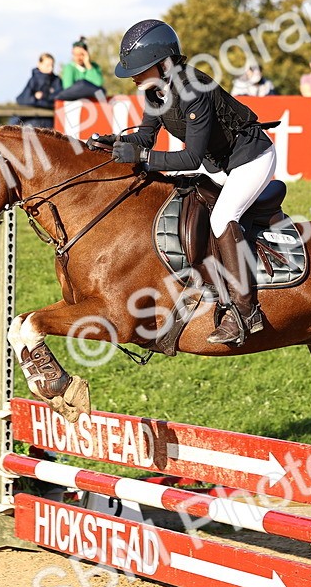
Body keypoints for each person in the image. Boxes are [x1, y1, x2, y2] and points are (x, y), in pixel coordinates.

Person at [89, 19, 278, 347]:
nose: (133, 75)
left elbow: (190, 158)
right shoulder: (154, 92)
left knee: (222, 216)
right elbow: (147, 136)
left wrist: (144, 158)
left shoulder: (193, 90)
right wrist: (114, 142)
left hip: (251, 158)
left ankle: (246, 312)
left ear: (163, 64)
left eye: (140, 68)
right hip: (219, 164)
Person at [15, 53, 63, 128]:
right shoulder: (33, 81)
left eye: (52, 66)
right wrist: (35, 98)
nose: (50, 68)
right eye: (47, 65)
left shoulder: (56, 81)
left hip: (50, 122)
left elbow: (58, 99)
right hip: (31, 122)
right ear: (39, 64)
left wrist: (41, 99)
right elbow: (21, 99)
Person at [54, 37, 105, 101]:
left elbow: (98, 83)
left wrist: (88, 64)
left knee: (100, 92)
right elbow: (67, 88)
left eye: (81, 54)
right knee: (82, 84)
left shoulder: (94, 67)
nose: (78, 57)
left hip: (92, 103)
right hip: (75, 102)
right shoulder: (69, 68)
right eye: (75, 54)